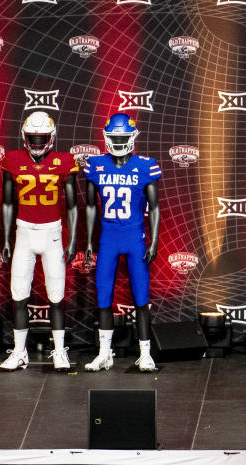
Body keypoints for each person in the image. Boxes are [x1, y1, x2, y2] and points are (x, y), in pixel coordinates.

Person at [0, 111, 79, 371]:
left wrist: (74, 237)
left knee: (56, 296)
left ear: (51, 137)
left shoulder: (64, 161)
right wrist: (8, 237)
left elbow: (72, 205)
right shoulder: (12, 159)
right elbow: (8, 201)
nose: (36, 142)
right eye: (32, 137)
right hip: (23, 232)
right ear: (24, 136)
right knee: (19, 295)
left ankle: (59, 351)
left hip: (52, 233)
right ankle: (20, 352)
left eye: (41, 137)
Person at [82, 113, 161, 372]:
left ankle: (145, 353)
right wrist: (89, 241)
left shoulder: (144, 165)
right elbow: (91, 206)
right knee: (104, 296)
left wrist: (154, 241)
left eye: (122, 137)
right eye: (114, 137)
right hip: (108, 237)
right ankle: (105, 353)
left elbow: (155, 207)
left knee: (141, 297)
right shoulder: (96, 165)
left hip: (135, 237)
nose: (117, 141)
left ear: (132, 138)